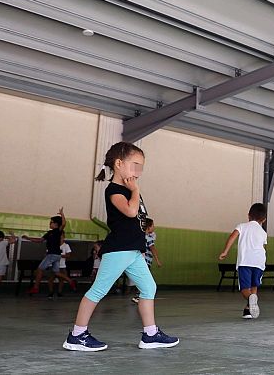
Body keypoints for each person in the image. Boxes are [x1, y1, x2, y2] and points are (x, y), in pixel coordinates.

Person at [63, 141, 178, 351]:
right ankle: (77, 335)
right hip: (119, 249)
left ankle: (150, 334)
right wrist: (135, 190)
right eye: (135, 165)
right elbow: (131, 212)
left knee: (149, 288)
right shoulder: (115, 190)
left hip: (133, 250)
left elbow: (138, 221)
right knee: (98, 291)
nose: (138, 172)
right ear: (118, 164)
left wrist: (141, 249)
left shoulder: (130, 189)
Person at [219, 203, 268, 319]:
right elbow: (263, 248)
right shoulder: (263, 233)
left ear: (248, 215)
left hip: (245, 261)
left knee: (245, 288)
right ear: (264, 220)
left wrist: (225, 251)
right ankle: (248, 310)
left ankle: (250, 300)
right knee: (254, 285)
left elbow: (232, 237)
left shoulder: (242, 226)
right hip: (259, 262)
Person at [23, 208, 76, 295]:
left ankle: (36, 287)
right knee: (56, 272)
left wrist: (62, 214)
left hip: (52, 254)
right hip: (56, 256)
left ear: (56, 224)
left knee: (40, 269)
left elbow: (63, 224)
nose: (50, 223)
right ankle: (70, 281)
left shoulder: (58, 231)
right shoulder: (49, 233)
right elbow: (40, 240)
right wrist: (29, 238)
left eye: (51, 222)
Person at [132, 218, 163, 304]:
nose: (154, 227)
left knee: (142, 278)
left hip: (140, 261)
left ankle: (139, 295)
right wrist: (158, 260)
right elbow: (152, 248)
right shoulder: (148, 237)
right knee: (145, 279)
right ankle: (139, 296)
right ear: (148, 227)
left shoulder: (141, 235)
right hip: (145, 261)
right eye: (153, 225)